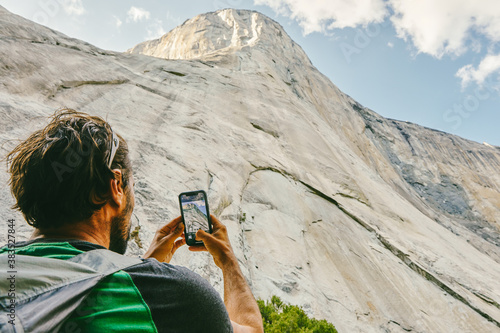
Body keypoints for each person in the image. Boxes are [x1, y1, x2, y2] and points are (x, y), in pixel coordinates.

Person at [1, 109, 263, 332]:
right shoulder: (179, 296)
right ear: (115, 186)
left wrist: (143, 265)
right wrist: (228, 262)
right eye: (131, 188)